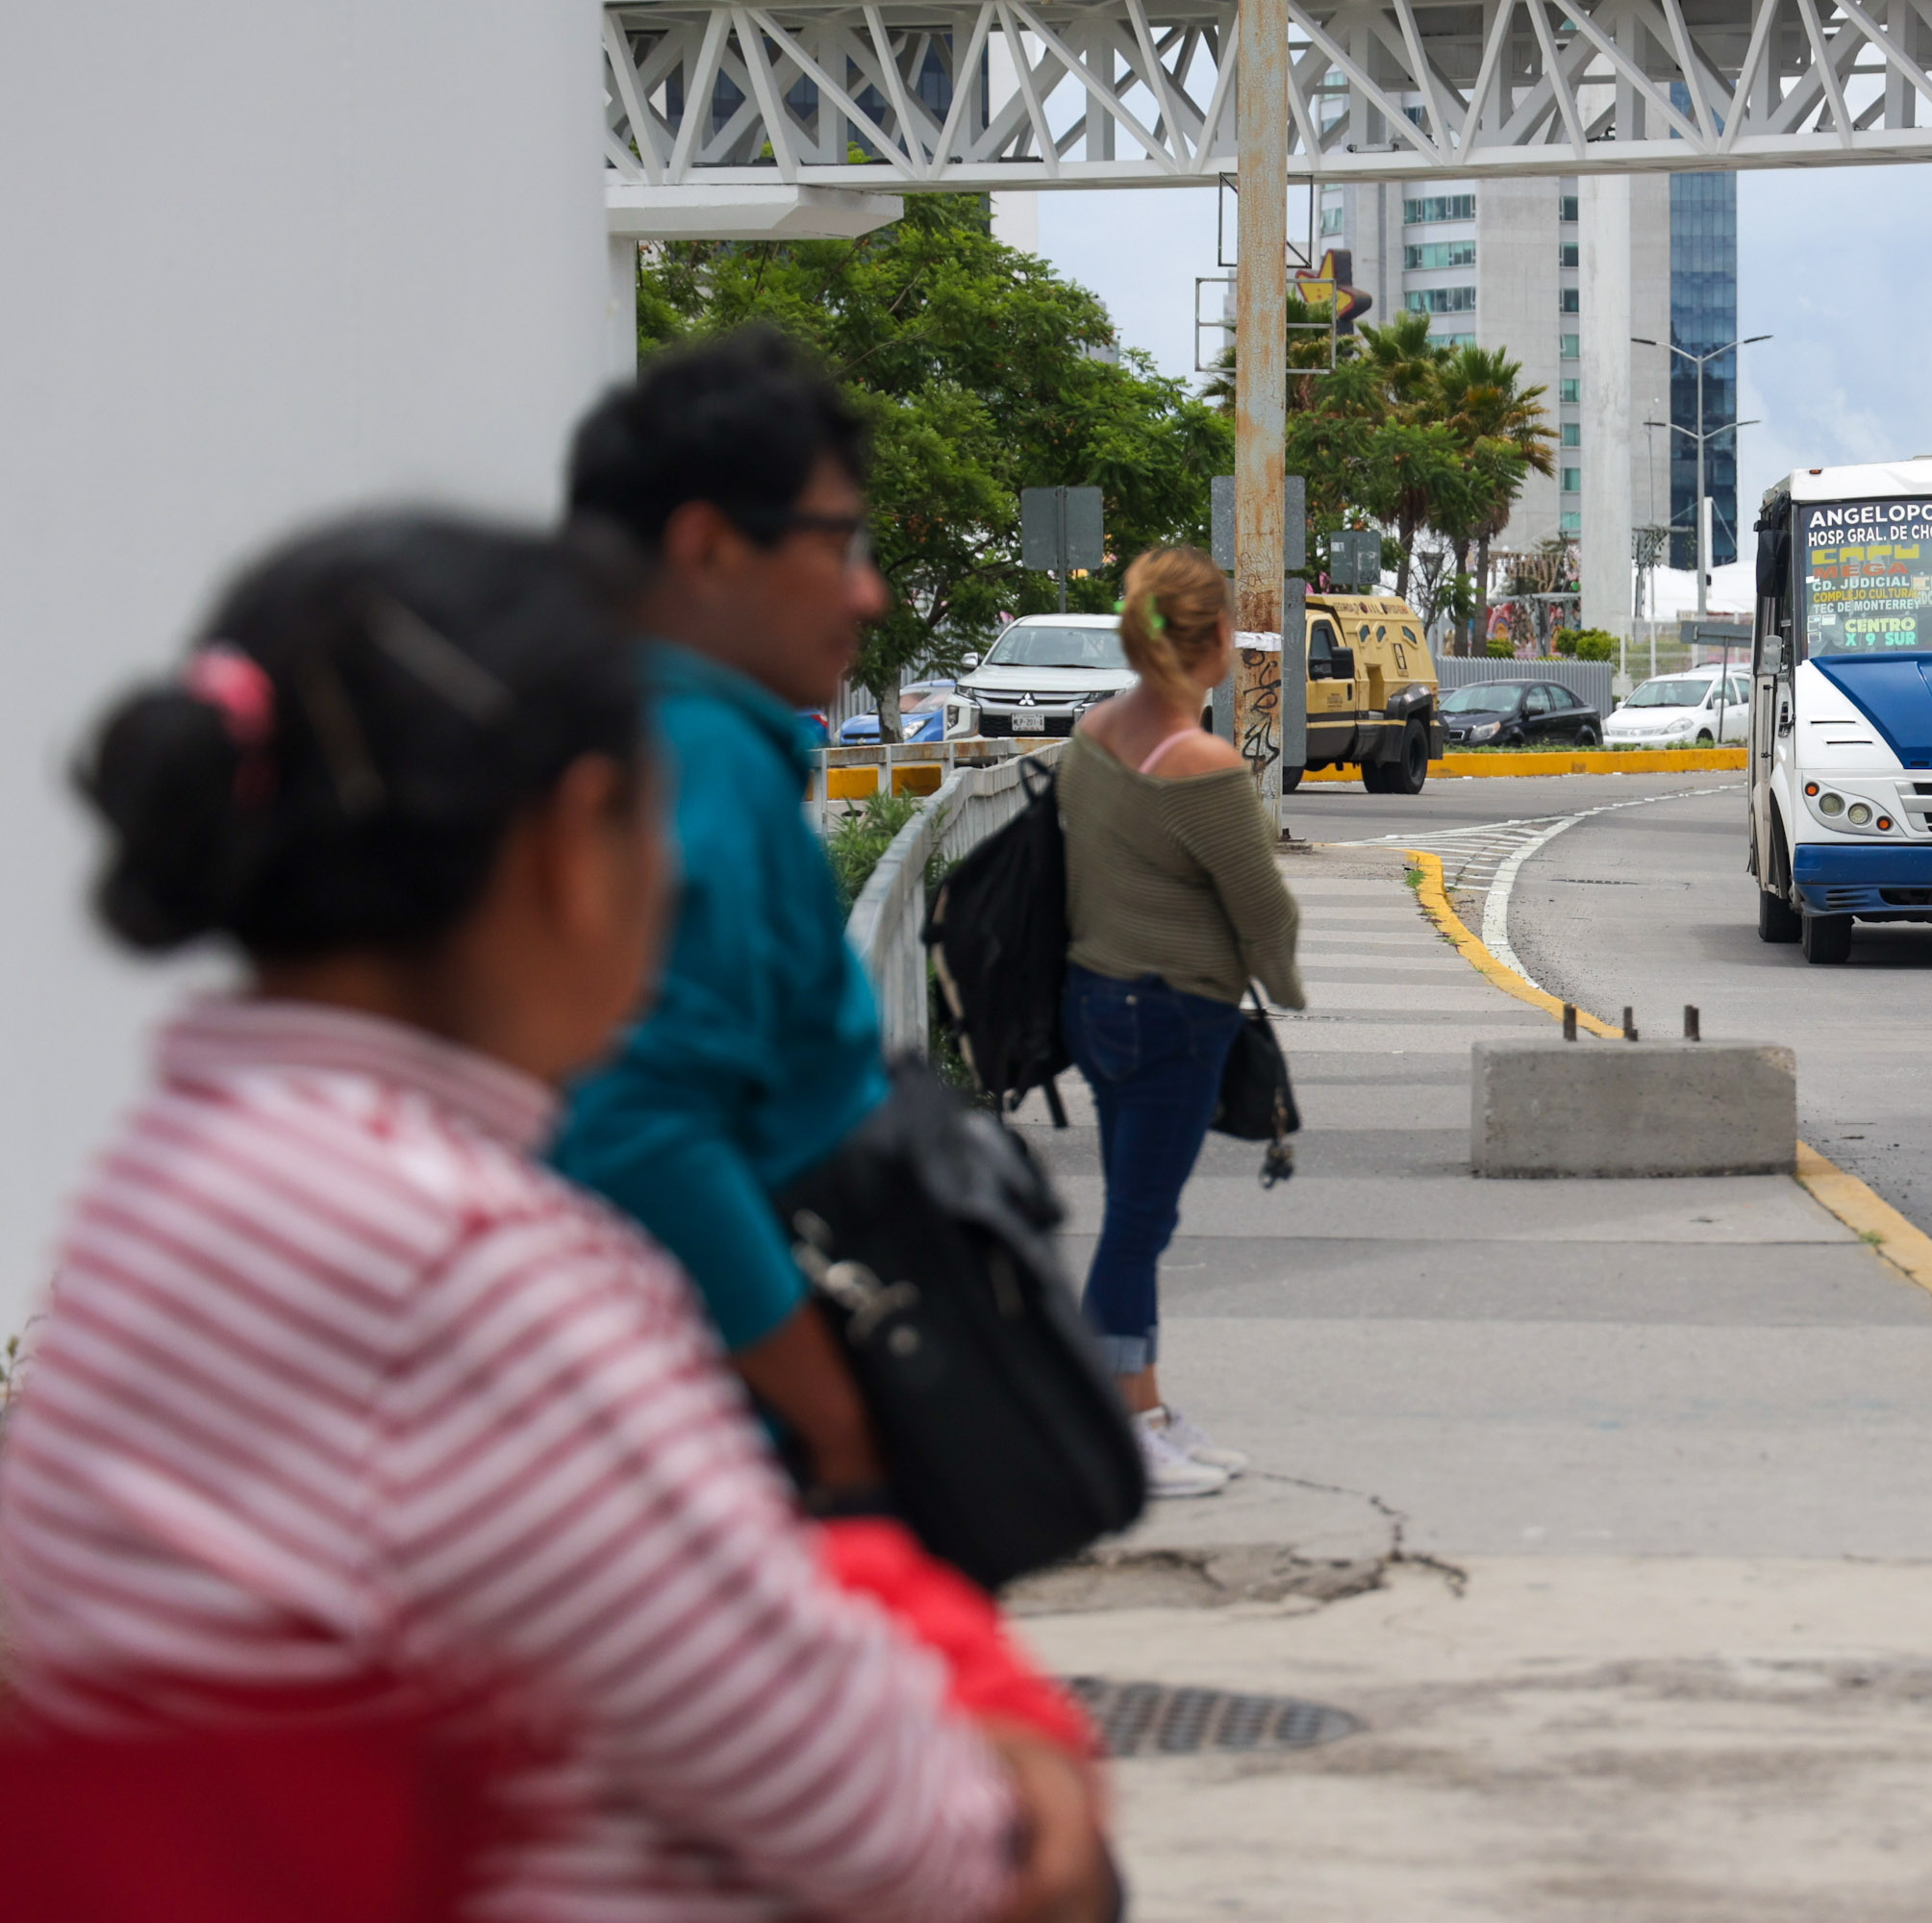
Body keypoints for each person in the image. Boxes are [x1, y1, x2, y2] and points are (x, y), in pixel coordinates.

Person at [0, 514, 1109, 1920]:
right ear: (576, 841)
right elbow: (895, 1830)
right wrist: (1034, 1765)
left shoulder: (164, 1189)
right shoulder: (475, 1269)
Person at [549, 329, 890, 1497]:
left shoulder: (616, 726)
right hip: (712, 1444)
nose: (868, 593)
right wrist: (832, 1414)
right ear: (705, 545)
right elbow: (639, 1118)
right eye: (836, 543)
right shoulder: (704, 762)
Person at [1061, 547, 1305, 1497]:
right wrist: (1284, 986)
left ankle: (1147, 1411)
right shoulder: (1199, 762)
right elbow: (1263, 905)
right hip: (1174, 1012)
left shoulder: (1092, 735)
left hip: (1097, 999)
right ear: (1207, 645)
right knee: (1136, 1225)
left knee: (1135, 1213)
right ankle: (1109, 1432)